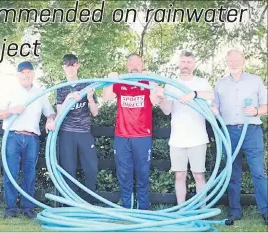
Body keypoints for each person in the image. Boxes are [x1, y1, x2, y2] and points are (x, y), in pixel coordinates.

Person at [212, 49, 268, 224]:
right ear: (227, 62)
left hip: (251, 131)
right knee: (232, 173)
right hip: (230, 133)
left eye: (237, 60)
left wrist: (257, 110)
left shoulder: (255, 80)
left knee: (258, 173)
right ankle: (235, 211)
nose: (233, 63)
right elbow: (215, 109)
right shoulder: (220, 84)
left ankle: (265, 211)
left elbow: (266, 106)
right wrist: (214, 110)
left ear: (243, 61)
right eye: (230, 60)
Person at [0, 61, 56, 219]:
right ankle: (10, 209)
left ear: (33, 74)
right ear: (18, 75)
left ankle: (27, 208)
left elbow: (50, 113)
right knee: (11, 174)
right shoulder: (10, 92)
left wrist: (50, 120)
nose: (26, 75)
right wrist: (11, 110)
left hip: (31, 139)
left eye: (29, 72)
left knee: (29, 174)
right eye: (22, 72)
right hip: (12, 137)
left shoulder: (41, 93)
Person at [102, 53, 163, 210]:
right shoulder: (120, 82)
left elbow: (155, 101)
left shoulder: (147, 82)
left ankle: (142, 208)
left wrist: (151, 82)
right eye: (131, 63)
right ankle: (127, 208)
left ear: (142, 66)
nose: (134, 66)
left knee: (143, 173)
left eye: (138, 63)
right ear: (126, 65)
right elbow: (107, 97)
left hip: (142, 136)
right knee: (124, 174)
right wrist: (111, 79)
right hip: (122, 136)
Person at [159, 51, 214, 205]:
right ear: (179, 63)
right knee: (179, 175)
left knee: (199, 175)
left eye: (189, 62)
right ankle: (182, 210)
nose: (185, 65)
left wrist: (193, 94)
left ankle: (202, 211)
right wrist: (161, 99)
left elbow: (212, 95)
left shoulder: (201, 82)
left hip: (197, 138)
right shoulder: (171, 84)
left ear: (194, 64)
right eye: (183, 61)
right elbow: (167, 110)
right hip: (177, 140)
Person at [56, 54, 99, 198]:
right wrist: (68, 99)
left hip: (84, 132)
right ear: (63, 67)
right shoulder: (61, 88)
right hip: (67, 133)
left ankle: (88, 203)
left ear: (78, 65)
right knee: (68, 170)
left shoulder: (87, 85)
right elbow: (59, 114)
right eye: (67, 65)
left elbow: (95, 112)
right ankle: (71, 203)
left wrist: (90, 98)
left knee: (91, 168)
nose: (70, 67)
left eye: (73, 64)